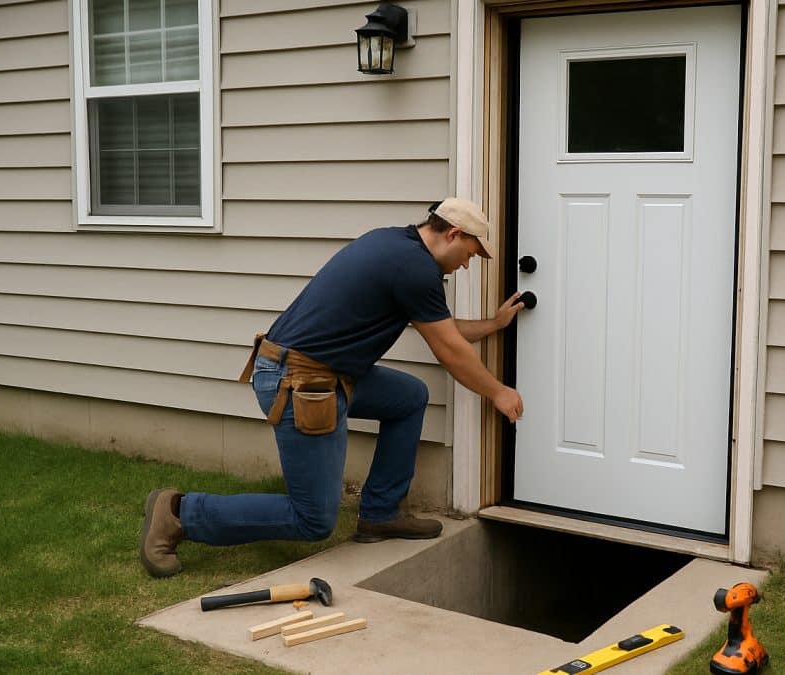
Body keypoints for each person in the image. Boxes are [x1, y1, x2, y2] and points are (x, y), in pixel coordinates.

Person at [139, 197, 524, 578]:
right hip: (302, 383)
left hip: (324, 373)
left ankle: (380, 514)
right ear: (453, 234)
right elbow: (451, 352)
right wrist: (497, 391)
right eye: (471, 254)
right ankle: (179, 514)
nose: (467, 264)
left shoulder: (394, 244)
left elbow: (445, 330)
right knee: (313, 519)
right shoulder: (414, 268)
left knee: (409, 397)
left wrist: (494, 323)